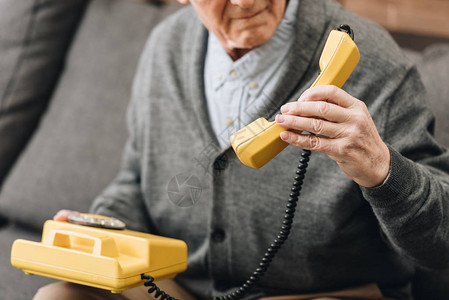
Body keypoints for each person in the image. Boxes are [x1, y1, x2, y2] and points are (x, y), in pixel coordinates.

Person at [35, 0, 449, 299]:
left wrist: (382, 169)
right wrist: (102, 225)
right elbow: (136, 181)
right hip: (184, 287)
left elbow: (441, 244)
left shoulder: (377, 64)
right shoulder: (165, 47)